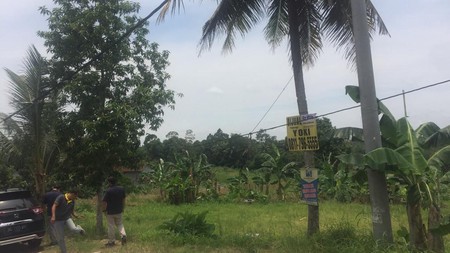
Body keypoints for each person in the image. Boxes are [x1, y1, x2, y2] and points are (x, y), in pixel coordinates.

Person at [102, 176, 127, 247]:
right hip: (119, 210)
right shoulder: (121, 189)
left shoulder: (108, 191)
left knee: (111, 226)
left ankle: (111, 241)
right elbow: (124, 199)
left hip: (110, 212)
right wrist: (123, 207)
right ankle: (123, 235)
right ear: (116, 181)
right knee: (120, 224)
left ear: (109, 183)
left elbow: (104, 202)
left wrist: (104, 210)